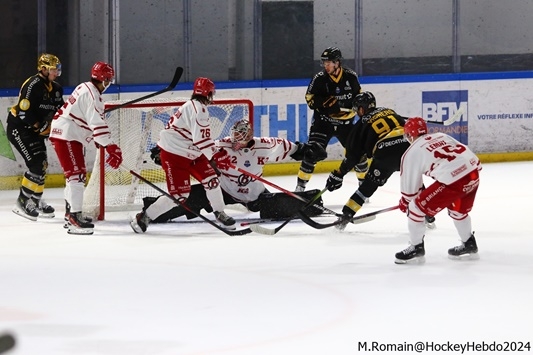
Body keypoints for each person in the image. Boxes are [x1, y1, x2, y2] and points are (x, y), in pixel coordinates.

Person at [140, 119, 328, 224]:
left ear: (249, 137)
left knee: (281, 204)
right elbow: (193, 153)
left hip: (254, 195)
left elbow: (292, 149)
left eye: (240, 138)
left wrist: (308, 150)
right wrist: (168, 153)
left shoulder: (265, 145)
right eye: (234, 136)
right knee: (187, 198)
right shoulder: (221, 145)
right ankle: (151, 212)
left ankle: (315, 205)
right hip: (224, 191)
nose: (235, 142)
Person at [130, 77, 238, 233]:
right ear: (207, 93)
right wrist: (216, 156)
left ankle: (219, 212)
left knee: (212, 180)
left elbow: (199, 139)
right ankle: (145, 216)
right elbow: (201, 139)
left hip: (192, 152)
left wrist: (215, 155)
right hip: (175, 155)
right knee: (180, 196)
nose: (212, 97)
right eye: (211, 93)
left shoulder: (193, 106)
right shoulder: (199, 109)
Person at [49, 61, 123, 235]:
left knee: (74, 176)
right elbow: (97, 124)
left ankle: (70, 214)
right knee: (76, 175)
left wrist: (98, 138)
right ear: (104, 80)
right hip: (67, 134)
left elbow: (86, 119)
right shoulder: (94, 97)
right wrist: (111, 146)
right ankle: (74, 217)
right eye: (108, 80)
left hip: (67, 133)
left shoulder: (85, 87)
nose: (108, 84)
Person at [394, 117, 481, 264]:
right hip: (473, 173)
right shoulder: (441, 135)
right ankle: (469, 244)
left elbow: (410, 191)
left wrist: (406, 202)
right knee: (458, 212)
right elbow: (465, 153)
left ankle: (416, 247)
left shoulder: (411, 152)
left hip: (454, 180)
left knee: (415, 209)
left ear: (410, 134)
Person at [325, 91, 412, 231]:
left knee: (367, 188)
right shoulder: (390, 111)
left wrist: (339, 174)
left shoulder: (360, 124)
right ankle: (427, 214)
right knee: (413, 180)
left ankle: (346, 216)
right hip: (409, 147)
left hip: (386, 152)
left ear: (361, 108)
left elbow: (353, 156)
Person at [295, 46, 362, 192]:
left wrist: (360, 106)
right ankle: (299, 188)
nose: (326, 65)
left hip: (346, 124)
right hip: (323, 123)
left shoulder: (351, 77)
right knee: (311, 153)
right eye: (324, 62)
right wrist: (323, 103)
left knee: (358, 154)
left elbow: (359, 99)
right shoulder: (319, 79)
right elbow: (310, 100)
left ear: (337, 62)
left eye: (329, 62)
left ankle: (363, 187)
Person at [7, 53, 65, 221]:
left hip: (36, 131)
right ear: (43, 69)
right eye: (54, 70)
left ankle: (36, 201)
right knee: (36, 165)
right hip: (20, 129)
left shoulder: (56, 89)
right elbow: (24, 111)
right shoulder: (32, 85)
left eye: (58, 69)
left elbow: (61, 111)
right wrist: (42, 127)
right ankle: (22, 203)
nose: (57, 73)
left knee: (42, 165)